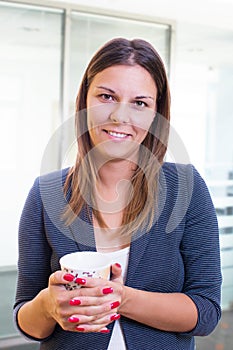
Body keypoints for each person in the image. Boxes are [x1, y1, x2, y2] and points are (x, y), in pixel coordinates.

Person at [14, 38, 222, 350]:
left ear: (155, 114)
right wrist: (47, 305)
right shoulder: (46, 194)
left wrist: (119, 298)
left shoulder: (186, 188)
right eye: (107, 97)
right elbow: (28, 321)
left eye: (140, 103)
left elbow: (206, 312)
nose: (120, 117)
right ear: (85, 101)